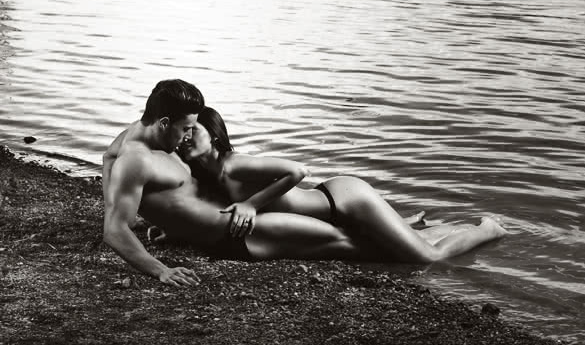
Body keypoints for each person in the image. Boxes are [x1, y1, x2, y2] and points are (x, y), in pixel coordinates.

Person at [103, 79, 426, 287]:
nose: (189, 136)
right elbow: (114, 228)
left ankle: (423, 236)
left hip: (244, 224)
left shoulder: (138, 134)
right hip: (242, 233)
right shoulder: (137, 159)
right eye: (186, 129)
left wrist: (171, 222)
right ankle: (454, 236)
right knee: (366, 247)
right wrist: (160, 269)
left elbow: (108, 157)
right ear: (163, 123)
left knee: (375, 245)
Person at [168, 106, 507, 263]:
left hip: (344, 200)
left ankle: (488, 229)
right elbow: (208, 210)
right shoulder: (209, 175)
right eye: (182, 132)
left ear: (214, 134)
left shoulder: (234, 163)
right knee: (399, 248)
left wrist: (252, 204)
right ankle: (421, 224)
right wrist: (170, 229)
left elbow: (298, 171)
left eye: (192, 131)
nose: (184, 138)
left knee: (426, 258)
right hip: (333, 214)